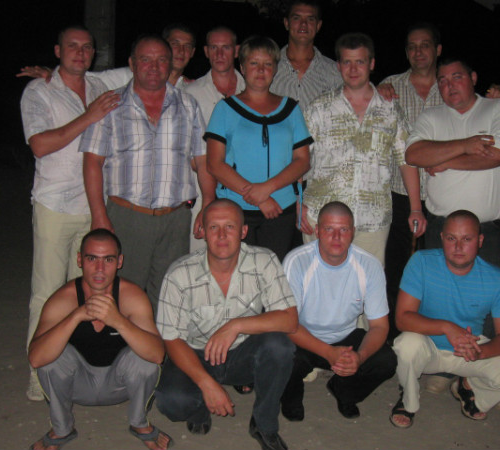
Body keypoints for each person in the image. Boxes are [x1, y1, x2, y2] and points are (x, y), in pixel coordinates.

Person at [379, 23, 500, 344]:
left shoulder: (453, 87)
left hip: (447, 198)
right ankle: (400, 338)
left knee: (449, 271)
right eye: (412, 46)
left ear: (437, 49)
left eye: (425, 45)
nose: (418, 51)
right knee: (400, 270)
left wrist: (496, 98)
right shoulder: (389, 87)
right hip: (401, 193)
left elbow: (487, 127)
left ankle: (461, 341)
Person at [80, 34, 216, 313]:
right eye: (146, 59)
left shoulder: (187, 105)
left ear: (170, 64)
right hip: (127, 217)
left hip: (175, 218)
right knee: (123, 294)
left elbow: (203, 161)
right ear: (132, 63)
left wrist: (209, 204)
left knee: (168, 297)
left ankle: (160, 343)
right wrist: (98, 215)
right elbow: (92, 162)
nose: (154, 67)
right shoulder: (110, 105)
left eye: (161, 60)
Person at [20, 24, 120, 401]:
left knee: (89, 293)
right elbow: (40, 145)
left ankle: (80, 370)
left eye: (87, 47)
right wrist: (90, 116)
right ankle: (38, 377)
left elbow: (148, 66)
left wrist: (188, 79)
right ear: (57, 51)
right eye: (72, 46)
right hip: (55, 206)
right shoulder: (39, 91)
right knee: (47, 294)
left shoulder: (99, 84)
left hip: (94, 206)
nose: (80, 52)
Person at [155, 199, 298, 450]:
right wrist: (206, 383)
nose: (222, 235)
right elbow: (171, 338)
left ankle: (264, 423)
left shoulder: (264, 261)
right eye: (214, 227)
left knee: (280, 346)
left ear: (243, 231)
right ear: (203, 232)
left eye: (230, 227)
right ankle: (200, 410)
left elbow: (289, 319)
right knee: (172, 402)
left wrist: (236, 326)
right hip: (196, 354)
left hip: (242, 352)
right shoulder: (179, 274)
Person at [28, 229, 170, 450]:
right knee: (50, 359)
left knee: (145, 360)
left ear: (119, 262)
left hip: (120, 385)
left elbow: (157, 355)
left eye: (108, 260)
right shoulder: (63, 298)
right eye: (92, 259)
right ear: (79, 260)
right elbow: (36, 359)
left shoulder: (131, 296)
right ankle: (61, 429)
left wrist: (118, 321)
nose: (100, 269)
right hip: (77, 385)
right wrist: (76, 316)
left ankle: (140, 423)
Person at [389, 210, 500, 428]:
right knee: (407, 343)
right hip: (427, 348)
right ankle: (407, 400)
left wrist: (480, 352)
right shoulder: (421, 262)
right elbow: (402, 319)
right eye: (451, 238)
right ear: (441, 238)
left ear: (480, 241)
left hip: (469, 349)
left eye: (467, 239)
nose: (458, 247)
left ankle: (467, 387)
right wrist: (447, 327)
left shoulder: (497, 279)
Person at [301, 32, 425, 266]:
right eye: (347, 62)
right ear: (338, 66)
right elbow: (299, 157)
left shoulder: (390, 109)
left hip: (372, 221)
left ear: (372, 64)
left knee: (367, 284)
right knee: (317, 282)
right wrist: (298, 203)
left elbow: (406, 160)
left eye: (360, 61)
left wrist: (416, 209)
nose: (353, 69)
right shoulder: (318, 108)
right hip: (320, 216)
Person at [281, 202, 396, 421]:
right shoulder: (297, 261)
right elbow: (288, 324)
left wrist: (359, 357)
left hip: (345, 337)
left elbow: (380, 326)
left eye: (343, 229)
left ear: (353, 232)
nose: (336, 237)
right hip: (304, 336)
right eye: (329, 229)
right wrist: (328, 352)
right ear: (317, 231)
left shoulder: (369, 265)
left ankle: (343, 390)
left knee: (386, 360)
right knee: (280, 351)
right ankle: (291, 397)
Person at [405, 57, 500, 272]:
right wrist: (465, 145)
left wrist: (445, 161)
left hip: (488, 230)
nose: (449, 85)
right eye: (442, 80)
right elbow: (413, 155)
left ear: (473, 78)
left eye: (457, 77)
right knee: (439, 291)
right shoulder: (431, 117)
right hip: (440, 227)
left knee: (487, 290)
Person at [205, 35, 311, 262]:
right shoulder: (225, 109)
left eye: (267, 64)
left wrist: (267, 189)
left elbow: (303, 161)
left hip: (280, 209)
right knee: (236, 274)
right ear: (242, 68)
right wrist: (260, 198)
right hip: (235, 210)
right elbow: (214, 164)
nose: (261, 70)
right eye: (254, 63)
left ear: (275, 69)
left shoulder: (291, 109)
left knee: (272, 274)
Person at [185, 26, 245, 252]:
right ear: (206, 51)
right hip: (203, 191)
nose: (219, 54)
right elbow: (187, 152)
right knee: (200, 257)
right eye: (214, 48)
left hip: (246, 191)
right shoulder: (191, 93)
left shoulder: (252, 88)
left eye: (226, 48)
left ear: (236, 51)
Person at [18, 23, 196, 90]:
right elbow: (87, 78)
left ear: (193, 52)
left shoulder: (191, 88)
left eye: (187, 46)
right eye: (175, 44)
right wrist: (52, 72)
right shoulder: (130, 75)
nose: (181, 51)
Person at [270, 0, 343, 107]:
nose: (303, 24)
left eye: (310, 19)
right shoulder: (267, 67)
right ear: (286, 23)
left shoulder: (335, 71)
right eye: (296, 18)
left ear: (318, 26)